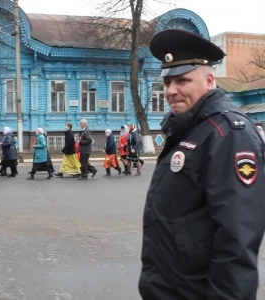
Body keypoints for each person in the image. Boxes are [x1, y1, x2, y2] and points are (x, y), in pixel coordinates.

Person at [138, 29, 265, 299]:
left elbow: (237, 240)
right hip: (169, 287)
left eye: (182, 81)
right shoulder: (190, 128)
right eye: (167, 82)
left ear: (209, 80)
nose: (171, 91)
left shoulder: (229, 134)